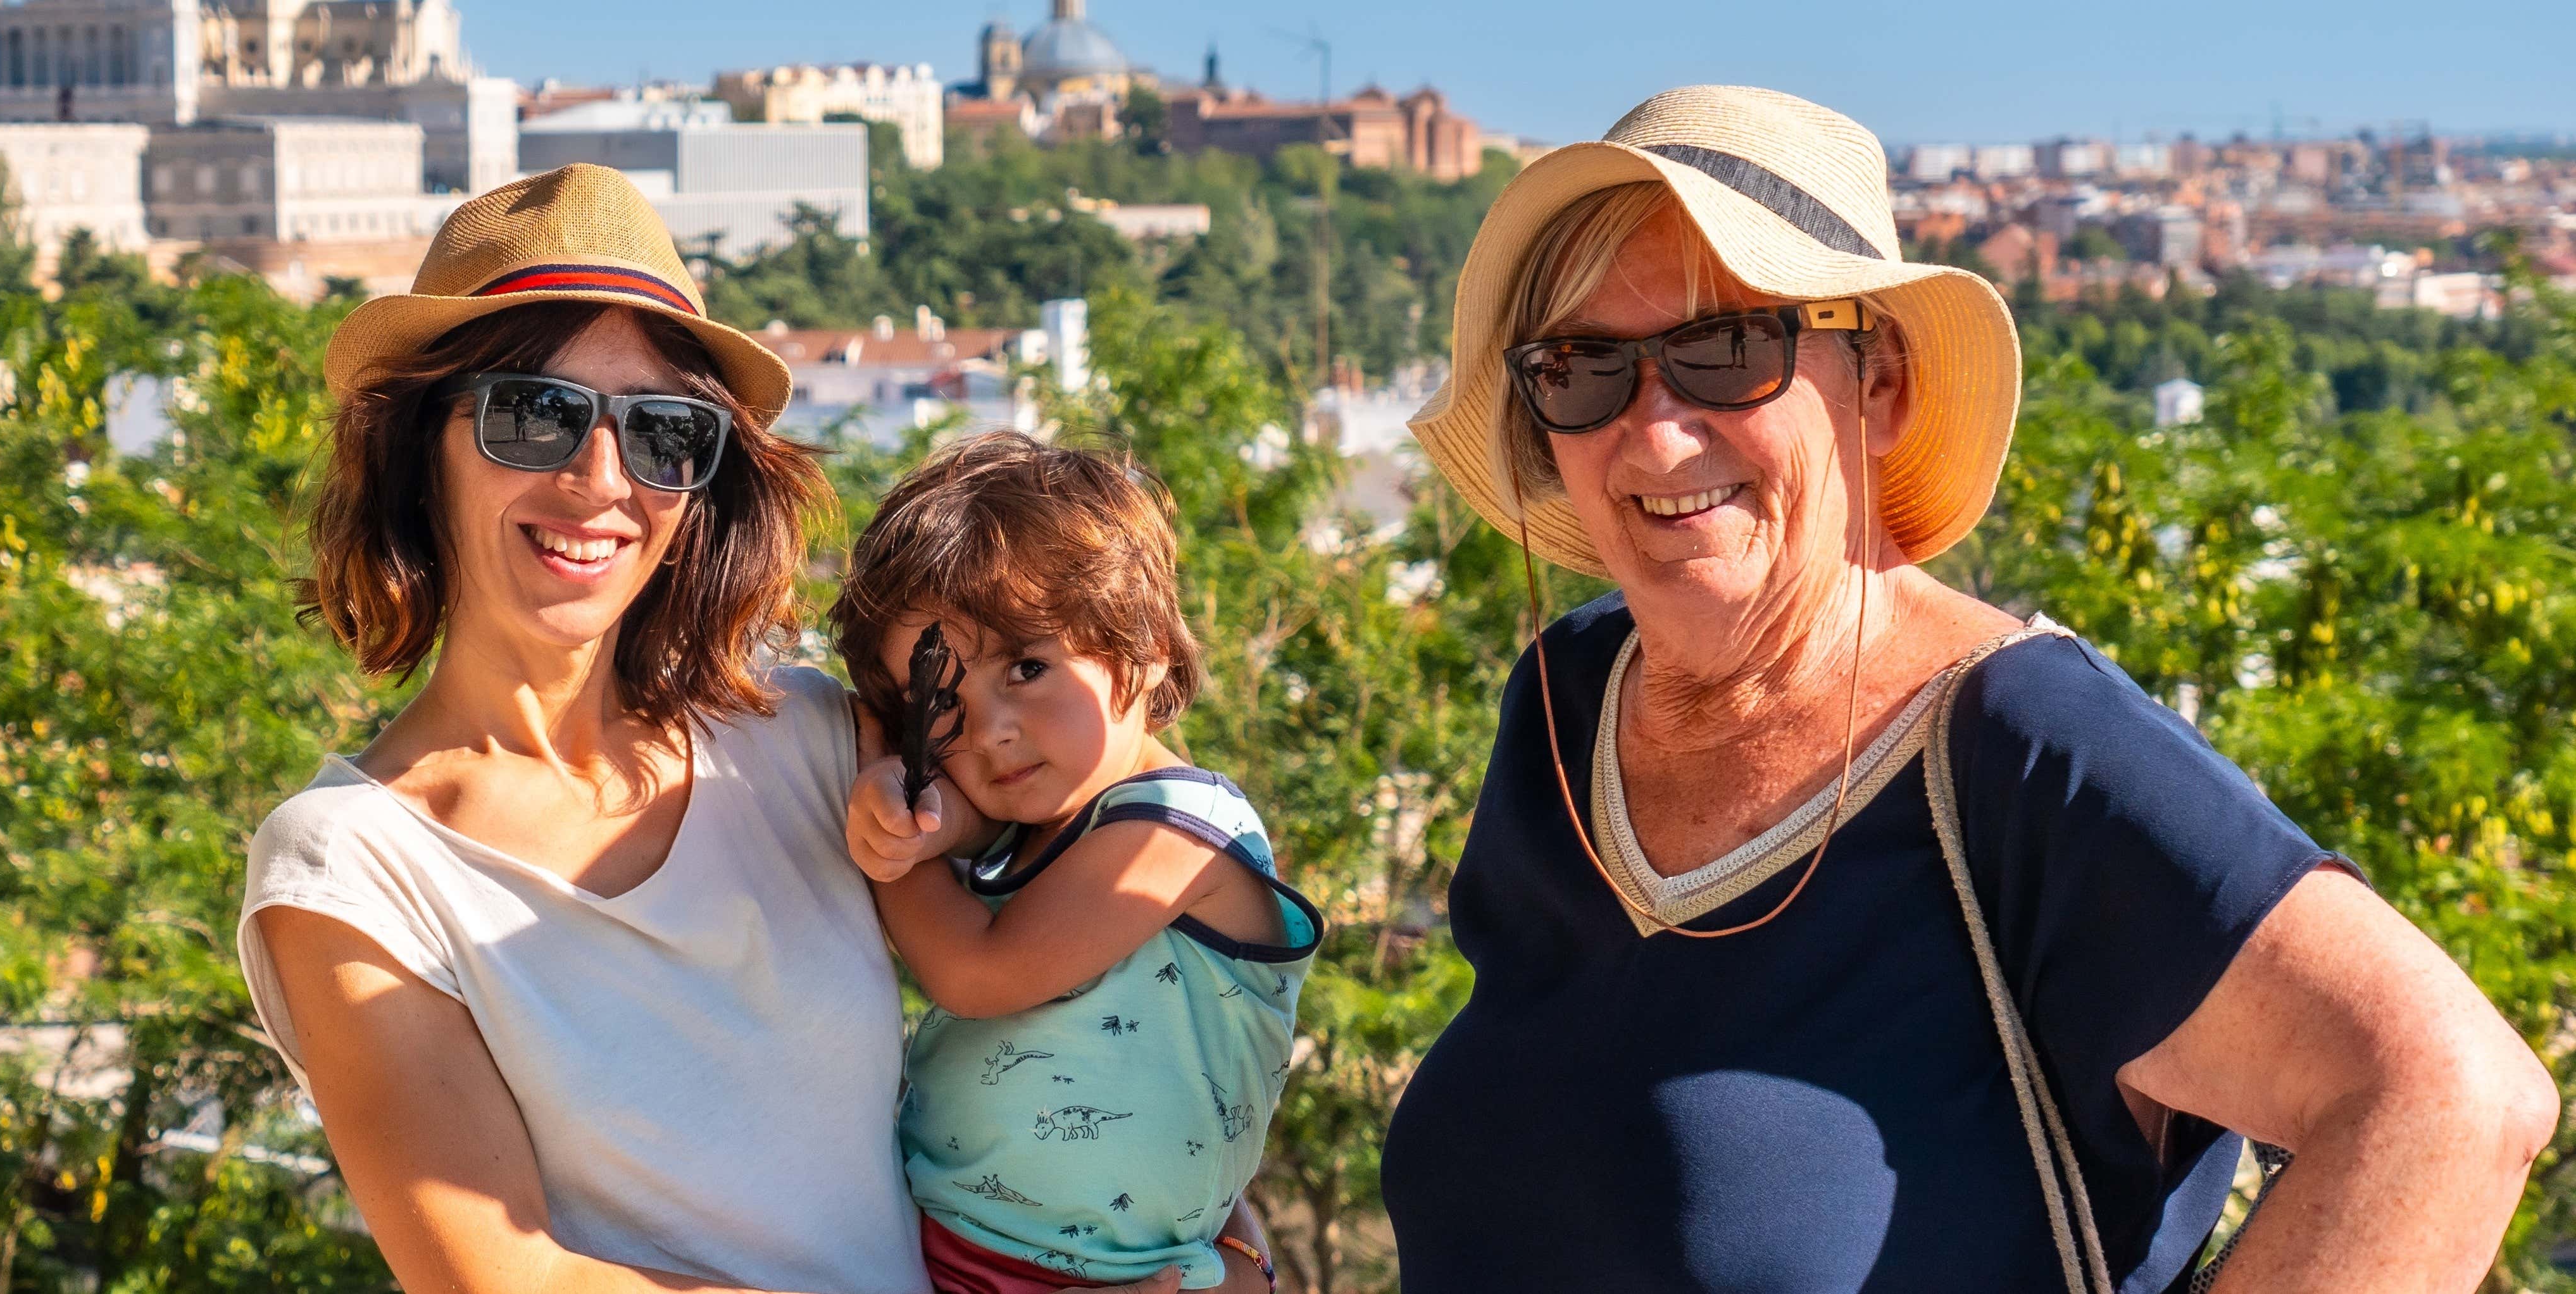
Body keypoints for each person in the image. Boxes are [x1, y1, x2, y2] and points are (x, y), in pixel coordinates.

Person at [1379, 86, 2556, 1292]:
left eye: (1727, 351)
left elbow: (2453, 1099)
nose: (1657, 432)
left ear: (1876, 383)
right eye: (1583, 369)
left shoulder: (2022, 748)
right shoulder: (1570, 702)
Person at [235, 165, 1258, 1294]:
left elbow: (1128, 990)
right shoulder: (352, 867)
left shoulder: (810, 735)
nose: (600, 477)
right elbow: (506, 1279)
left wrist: (1218, 1250)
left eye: (664, 432)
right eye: (535, 414)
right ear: (420, 442)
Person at [838, 436, 1320, 1293]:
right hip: (942, 1243)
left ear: (1144, 648)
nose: (991, 731)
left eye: (1027, 667)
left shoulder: (1183, 827)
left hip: (1109, 1276)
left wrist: (892, 858)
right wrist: (907, 805)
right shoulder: (1038, 816)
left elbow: (976, 973)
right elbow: (963, 814)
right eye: (939, 703)